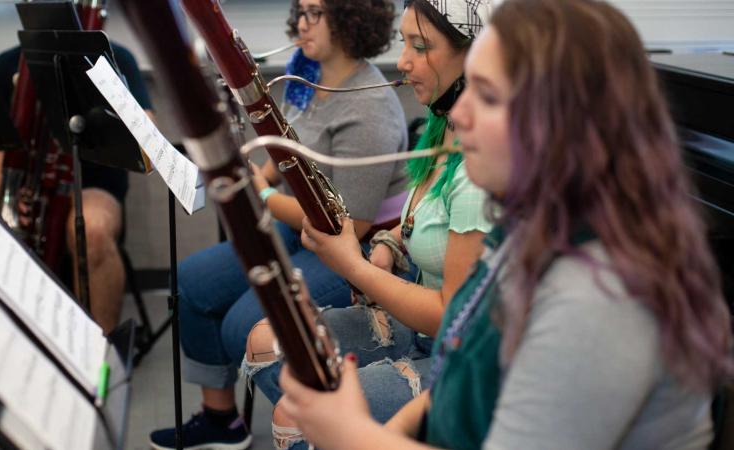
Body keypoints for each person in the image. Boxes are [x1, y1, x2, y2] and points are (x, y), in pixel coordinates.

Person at [277, 0, 734, 449]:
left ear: (564, 122)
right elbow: (459, 357)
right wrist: (384, 433)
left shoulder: (602, 299)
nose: (459, 114)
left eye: (489, 96)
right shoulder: (533, 221)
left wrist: (353, 435)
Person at [148, 0, 408, 448]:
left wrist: (260, 195)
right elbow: (280, 152)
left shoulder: (370, 107)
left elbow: (349, 220)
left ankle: (313, 434)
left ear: (350, 20)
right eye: (299, 13)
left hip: (350, 245)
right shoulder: (305, 74)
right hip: (297, 227)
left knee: (241, 324)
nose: (300, 25)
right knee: (191, 282)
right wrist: (260, 177)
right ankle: (220, 419)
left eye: (314, 13)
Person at [242, 1, 494, 448]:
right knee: (266, 341)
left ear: (477, 56)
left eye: (421, 47)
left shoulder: (480, 169)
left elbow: (449, 316)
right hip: (417, 326)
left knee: (295, 417)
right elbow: (424, 216)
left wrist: (356, 267)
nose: (403, 61)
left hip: (454, 353)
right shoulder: (442, 125)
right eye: (405, 43)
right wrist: (389, 244)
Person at [0, 43, 153, 335]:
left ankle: (99, 353)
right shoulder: (5, 63)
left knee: (91, 230)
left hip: (93, 186)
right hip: (21, 182)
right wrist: (9, 196)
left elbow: (147, 137)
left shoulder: (116, 56)